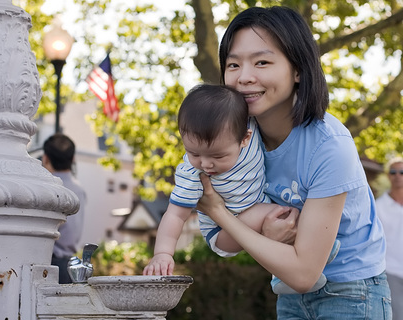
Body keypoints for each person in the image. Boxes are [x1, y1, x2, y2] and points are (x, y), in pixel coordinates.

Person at [195, 6, 391, 319]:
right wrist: (254, 232)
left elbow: (304, 273)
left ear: (297, 70)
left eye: (262, 62)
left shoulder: (329, 145)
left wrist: (220, 212)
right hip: (287, 291)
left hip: (351, 293)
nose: (244, 77)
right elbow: (220, 240)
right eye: (233, 64)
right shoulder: (235, 142)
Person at [143, 83, 339, 295]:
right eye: (194, 153)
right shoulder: (192, 174)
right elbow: (174, 215)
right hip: (221, 233)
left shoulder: (249, 128)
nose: (206, 164)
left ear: (245, 138)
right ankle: (303, 262)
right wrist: (163, 252)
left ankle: (303, 260)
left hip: (256, 203)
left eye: (218, 156)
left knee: (288, 208)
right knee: (282, 213)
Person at [42, 133, 86, 284]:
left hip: (49, 263)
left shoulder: (46, 188)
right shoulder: (78, 189)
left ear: (45, 158)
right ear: (73, 158)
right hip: (71, 264)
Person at [376, 156, 403, 320]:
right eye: (393, 172)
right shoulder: (379, 206)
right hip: (390, 270)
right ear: (388, 175)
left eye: (402, 172)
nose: (398, 175)